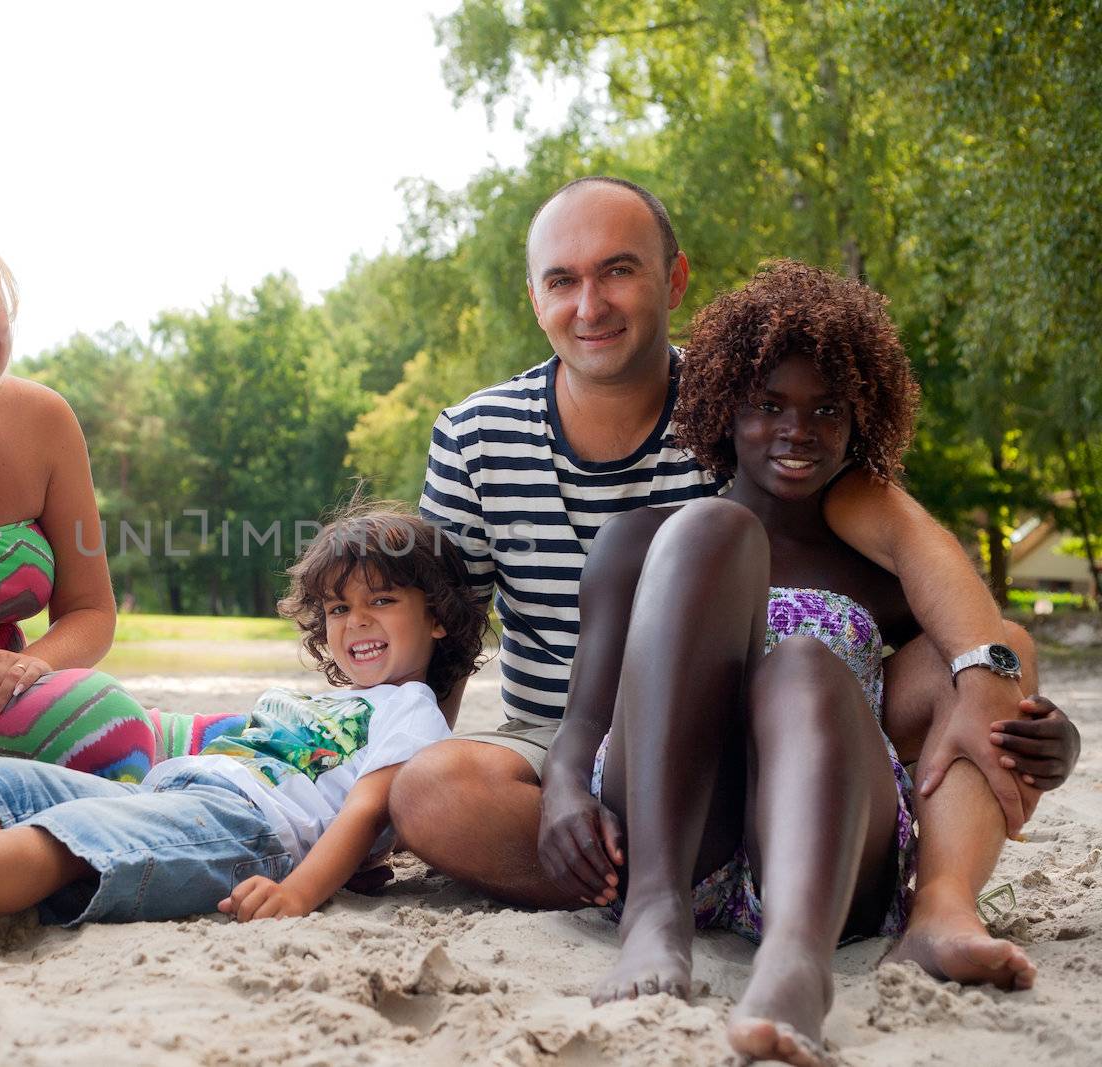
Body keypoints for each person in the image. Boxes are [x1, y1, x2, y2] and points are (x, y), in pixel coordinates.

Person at [395, 176, 1080, 989]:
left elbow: (914, 545)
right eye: (563, 279)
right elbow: (442, 633)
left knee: (990, 651)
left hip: (817, 771)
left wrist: (1013, 700)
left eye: (618, 271)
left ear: (674, 281)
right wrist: (403, 790)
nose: (795, 429)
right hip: (619, 762)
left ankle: (938, 901)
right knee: (429, 790)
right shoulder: (486, 436)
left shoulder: (776, 434)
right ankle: (648, 889)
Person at [536, 261, 1078, 1063]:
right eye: (768, 406)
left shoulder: (882, 575)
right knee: (711, 532)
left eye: (828, 409)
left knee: (802, 662)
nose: (798, 430)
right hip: (682, 835)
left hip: (824, 857)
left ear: (864, 422)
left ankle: (797, 961)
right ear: (725, 409)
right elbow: (582, 723)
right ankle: (657, 913)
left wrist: (1053, 742)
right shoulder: (644, 542)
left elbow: (977, 676)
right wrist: (556, 797)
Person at [0, 504, 489, 953]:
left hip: (243, 829)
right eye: (336, 610)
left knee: (78, 841)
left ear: (437, 616)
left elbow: (363, 812)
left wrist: (298, 893)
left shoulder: (414, 713)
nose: (353, 623)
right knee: (1, 782)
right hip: (176, 790)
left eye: (380, 601)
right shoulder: (322, 705)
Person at [0, 193, 244, 778]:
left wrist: (27, 664)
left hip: (11, 701)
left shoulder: (46, 420)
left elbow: (90, 610)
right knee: (113, 727)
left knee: (255, 737)